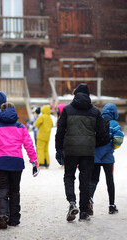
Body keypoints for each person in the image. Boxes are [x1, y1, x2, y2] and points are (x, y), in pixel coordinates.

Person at [0, 102, 39, 229]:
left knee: (2, 189)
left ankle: (2, 214)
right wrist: (34, 161)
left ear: (1, 111)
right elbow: (29, 145)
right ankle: (14, 219)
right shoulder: (20, 126)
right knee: (14, 191)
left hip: (0, 162)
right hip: (16, 163)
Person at [55, 83, 104, 222]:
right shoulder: (95, 111)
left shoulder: (67, 109)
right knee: (85, 179)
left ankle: (71, 203)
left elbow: (60, 130)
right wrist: (94, 143)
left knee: (69, 176)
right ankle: (83, 212)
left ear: (75, 94)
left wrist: (59, 148)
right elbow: (101, 133)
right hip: (88, 151)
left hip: (70, 149)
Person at [88, 103, 124, 215]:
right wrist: (112, 147)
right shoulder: (114, 124)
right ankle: (111, 206)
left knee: (94, 180)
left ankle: (89, 199)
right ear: (114, 113)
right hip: (108, 158)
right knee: (110, 180)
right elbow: (118, 139)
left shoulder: (96, 122)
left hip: (95, 157)